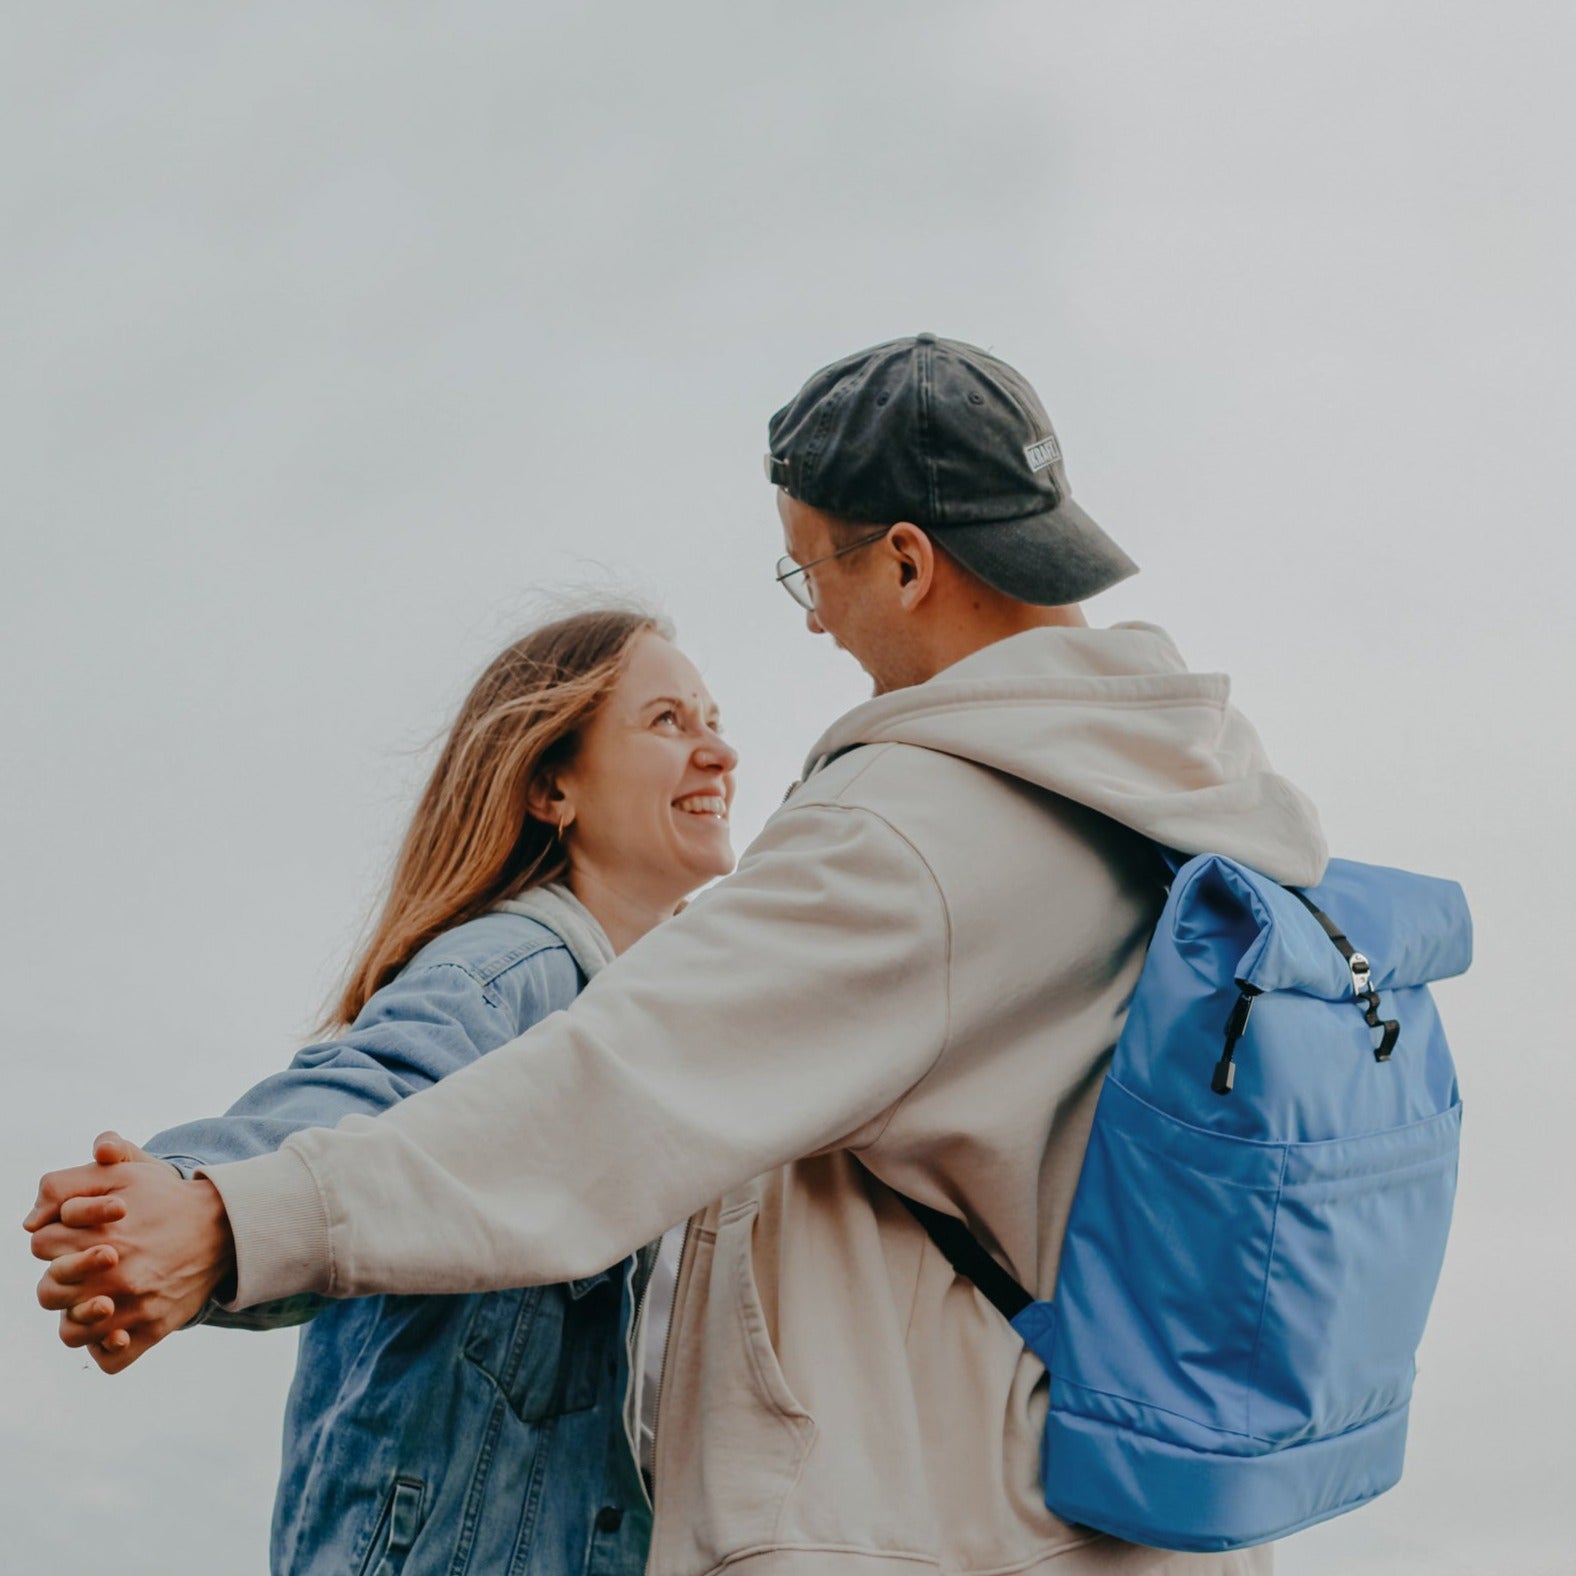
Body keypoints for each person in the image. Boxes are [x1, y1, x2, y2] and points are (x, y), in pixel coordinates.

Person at [30, 335, 1328, 1575]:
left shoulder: (919, 837)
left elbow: (608, 1094)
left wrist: (229, 1216)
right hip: (1121, 1518)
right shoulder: (1180, 824)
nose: (816, 624)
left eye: (808, 571)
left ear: (910, 564)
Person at [28, 607, 738, 1575]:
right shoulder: (510, 967)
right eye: (668, 721)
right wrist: (201, 1203)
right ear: (550, 785)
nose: (718, 751)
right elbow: (374, 1091)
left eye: (713, 718)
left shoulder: (654, 1030)